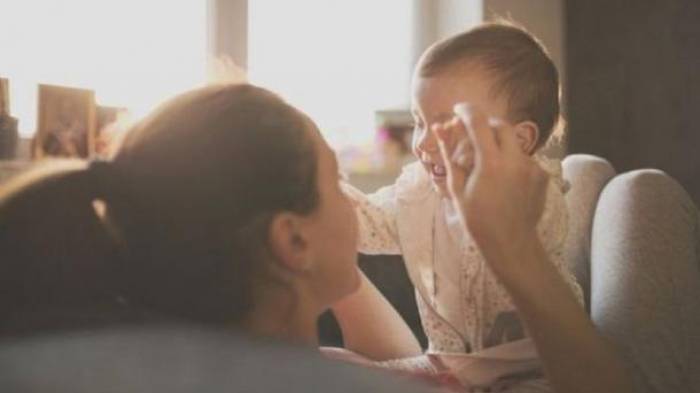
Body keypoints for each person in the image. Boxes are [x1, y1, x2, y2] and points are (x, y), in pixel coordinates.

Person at [0, 82, 633, 392]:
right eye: (335, 179)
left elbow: (394, 353)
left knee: (594, 179)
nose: (354, 200)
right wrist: (513, 249)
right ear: (291, 243)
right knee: (636, 193)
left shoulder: (250, 345)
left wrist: (311, 261)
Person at [334, 22, 582, 391]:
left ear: (519, 142)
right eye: (420, 122)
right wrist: (319, 185)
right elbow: (368, 223)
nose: (425, 144)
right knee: (334, 364)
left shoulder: (537, 195)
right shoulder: (419, 191)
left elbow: (532, 235)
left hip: (535, 369)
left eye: (449, 127)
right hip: (452, 367)